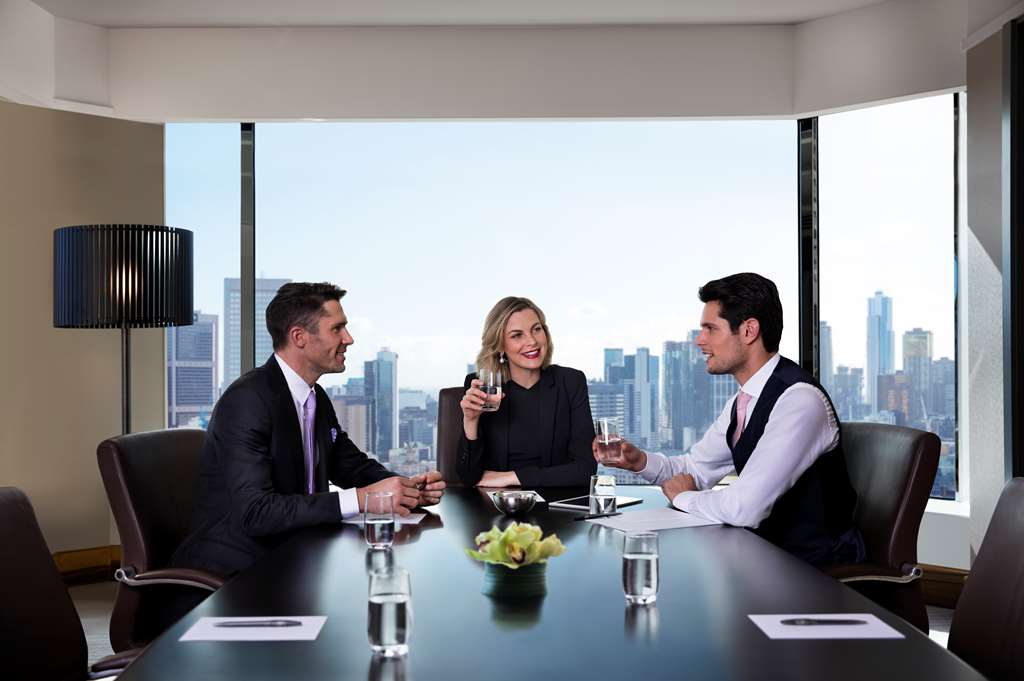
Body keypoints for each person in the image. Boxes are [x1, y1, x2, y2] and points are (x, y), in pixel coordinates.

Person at [172, 282, 445, 577]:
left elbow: (351, 466)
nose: (349, 339)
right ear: (299, 337)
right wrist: (364, 498)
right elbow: (256, 513)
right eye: (337, 329)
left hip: (301, 556)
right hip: (238, 570)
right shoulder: (248, 400)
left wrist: (407, 488)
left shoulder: (316, 398)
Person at [597, 273, 864, 567]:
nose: (699, 340)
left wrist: (684, 498)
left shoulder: (799, 401)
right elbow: (694, 470)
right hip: (762, 557)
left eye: (710, 328)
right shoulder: (746, 399)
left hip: (812, 571)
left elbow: (744, 508)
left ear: (749, 330)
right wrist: (640, 462)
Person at [457, 296, 597, 488]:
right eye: (517, 335)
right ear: (500, 346)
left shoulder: (570, 382)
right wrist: (471, 421)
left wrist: (512, 477)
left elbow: (585, 470)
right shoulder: (483, 386)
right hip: (495, 508)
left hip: (557, 508)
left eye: (536, 329)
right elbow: (468, 477)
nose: (532, 341)